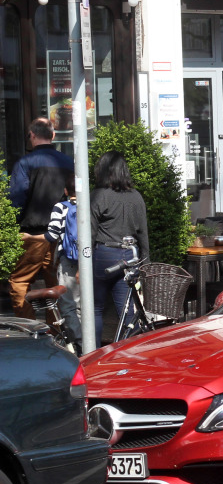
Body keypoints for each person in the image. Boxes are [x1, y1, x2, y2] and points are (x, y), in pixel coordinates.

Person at [6, 118, 71, 318]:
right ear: (52, 135)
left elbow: (16, 199)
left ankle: (29, 329)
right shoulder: (68, 162)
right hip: (60, 235)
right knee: (57, 284)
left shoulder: (25, 163)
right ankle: (57, 330)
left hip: (32, 234)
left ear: (32, 135)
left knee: (20, 282)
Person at [90, 151, 148, 341]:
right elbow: (143, 233)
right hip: (130, 255)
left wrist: (83, 260)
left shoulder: (99, 195)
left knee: (95, 308)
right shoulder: (136, 196)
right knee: (126, 309)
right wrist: (145, 261)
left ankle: (94, 351)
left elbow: (89, 231)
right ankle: (128, 353)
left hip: (104, 254)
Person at [43, 180, 82, 351]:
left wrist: (31, 237)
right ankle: (88, 341)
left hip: (69, 261)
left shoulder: (61, 207)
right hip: (87, 259)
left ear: (66, 190)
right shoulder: (89, 205)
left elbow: (52, 235)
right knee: (82, 304)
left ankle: (79, 345)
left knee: (68, 304)